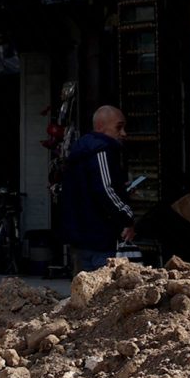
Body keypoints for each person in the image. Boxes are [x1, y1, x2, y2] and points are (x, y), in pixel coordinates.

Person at [58, 105, 138, 272]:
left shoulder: (79, 152)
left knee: (84, 284)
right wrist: (127, 216)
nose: (123, 133)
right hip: (100, 236)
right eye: (118, 127)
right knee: (105, 284)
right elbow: (105, 189)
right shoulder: (101, 150)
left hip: (80, 237)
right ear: (101, 126)